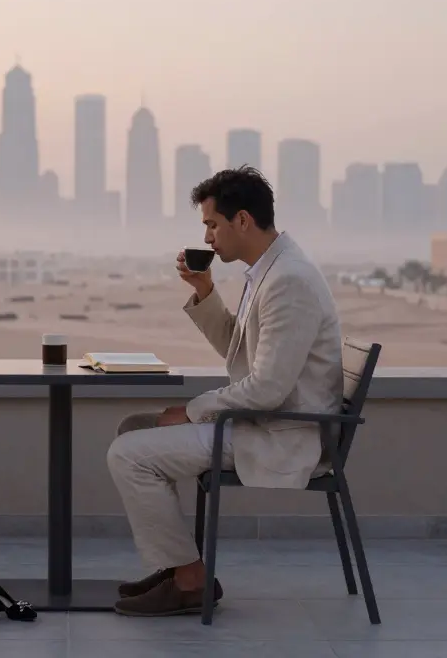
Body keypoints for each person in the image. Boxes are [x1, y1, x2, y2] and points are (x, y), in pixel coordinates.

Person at [107, 166, 344, 617]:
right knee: (131, 428)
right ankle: (175, 566)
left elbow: (269, 388)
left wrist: (197, 411)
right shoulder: (268, 271)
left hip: (281, 434)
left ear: (242, 220)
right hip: (262, 420)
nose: (209, 237)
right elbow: (242, 357)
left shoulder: (288, 280)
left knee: (128, 453)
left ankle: (191, 580)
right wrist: (205, 292)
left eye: (212, 225)